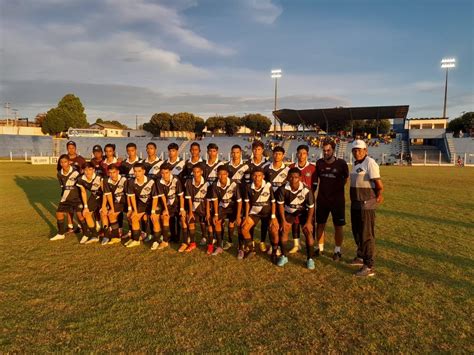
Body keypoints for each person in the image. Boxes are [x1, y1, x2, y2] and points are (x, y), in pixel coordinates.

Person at [349, 139, 384, 277]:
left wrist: (379, 194)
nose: (357, 152)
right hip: (355, 203)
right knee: (357, 232)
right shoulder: (355, 163)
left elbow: (379, 184)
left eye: (359, 150)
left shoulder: (370, 163)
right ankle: (361, 256)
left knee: (366, 234)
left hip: (366, 205)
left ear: (365, 151)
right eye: (354, 150)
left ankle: (369, 266)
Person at [315, 139, 349, 261]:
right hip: (322, 199)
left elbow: (346, 179)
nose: (326, 152)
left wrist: (336, 190)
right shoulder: (319, 163)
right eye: (324, 150)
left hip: (337, 201)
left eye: (328, 150)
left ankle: (337, 251)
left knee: (338, 226)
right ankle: (320, 248)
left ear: (333, 150)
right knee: (320, 225)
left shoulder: (342, 164)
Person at [275, 167, 315, 268]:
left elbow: (311, 207)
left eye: (296, 177)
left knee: (308, 231)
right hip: (289, 212)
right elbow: (280, 205)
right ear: (288, 178)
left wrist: (309, 222)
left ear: (300, 178)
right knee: (284, 230)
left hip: (304, 212)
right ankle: (284, 256)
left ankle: (310, 259)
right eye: (291, 177)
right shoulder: (283, 189)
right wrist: (283, 221)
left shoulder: (307, 190)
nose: (293, 180)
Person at [241, 167, 278, 259]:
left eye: (259, 176)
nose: (257, 177)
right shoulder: (248, 187)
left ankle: (274, 252)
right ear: (252, 176)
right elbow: (247, 203)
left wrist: (273, 217)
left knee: (274, 229)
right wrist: (246, 216)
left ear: (263, 176)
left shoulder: (268, 186)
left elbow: (273, 202)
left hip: (268, 213)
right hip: (254, 213)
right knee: (244, 229)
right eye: (255, 175)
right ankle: (251, 249)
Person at [289, 144, 318, 254]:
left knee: (309, 221)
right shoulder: (291, 167)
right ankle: (296, 244)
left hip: (308, 200)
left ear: (307, 155)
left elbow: (314, 185)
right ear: (296, 154)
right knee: (295, 221)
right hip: (294, 199)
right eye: (300, 153)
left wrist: (307, 196)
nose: (301, 155)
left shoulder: (312, 168)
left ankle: (311, 244)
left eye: (304, 153)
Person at [207, 165, 242, 256]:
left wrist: (238, 216)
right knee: (217, 222)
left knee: (234, 223)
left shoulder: (234, 184)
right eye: (219, 174)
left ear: (227, 174)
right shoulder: (215, 185)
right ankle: (219, 246)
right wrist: (216, 214)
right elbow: (214, 200)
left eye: (224, 174)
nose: (222, 176)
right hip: (222, 207)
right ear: (217, 175)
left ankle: (237, 246)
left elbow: (239, 201)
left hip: (233, 207)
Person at [125, 163, 161, 248]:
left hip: (153, 203)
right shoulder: (131, 182)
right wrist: (135, 210)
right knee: (134, 217)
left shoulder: (151, 181)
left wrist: (152, 212)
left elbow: (155, 197)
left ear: (144, 171)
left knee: (154, 218)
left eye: (139, 171)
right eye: (135, 171)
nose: (137, 173)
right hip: (141, 203)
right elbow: (132, 197)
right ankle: (136, 240)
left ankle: (156, 241)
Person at [50, 154, 85, 241]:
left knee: (80, 215)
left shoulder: (76, 172)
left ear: (69, 162)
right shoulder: (59, 174)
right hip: (65, 198)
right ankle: (61, 233)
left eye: (65, 161)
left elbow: (81, 185)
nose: (63, 164)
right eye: (61, 162)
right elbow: (62, 187)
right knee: (59, 213)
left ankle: (86, 233)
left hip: (77, 198)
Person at [262, 146, 289, 252]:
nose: (277, 156)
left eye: (279, 154)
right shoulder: (266, 168)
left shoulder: (287, 170)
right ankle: (272, 245)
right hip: (269, 201)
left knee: (281, 224)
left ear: (283, 155)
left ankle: (278, 246)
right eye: (275, 153)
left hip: (282, 202)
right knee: (271, 224)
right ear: (273, 154)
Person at [224, 144, 249, 253]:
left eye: (237, 152)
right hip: (229, 198)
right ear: (231, 153)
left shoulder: (246, 167)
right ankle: (229, 241)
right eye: (233, 152)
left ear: (241, 153)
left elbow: (248, 184)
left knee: (240, 222)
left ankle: (240, 245)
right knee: (230, 221)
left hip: (241, 199)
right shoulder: (226, 166)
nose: (235, 154)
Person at [157, 163, 186, 249]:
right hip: (168, 204)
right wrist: (165, 209)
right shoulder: (159, 181)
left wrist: (182, 209)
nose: (164, 175)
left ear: (170, 172)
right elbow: (162, 196)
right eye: (162, 173)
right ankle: (165, 241)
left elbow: (181, 196)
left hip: (177, 204)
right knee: (166, 217)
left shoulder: (176, 180)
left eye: (166, 173)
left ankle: (184, 242)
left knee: (182, 219)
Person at [182, 163, 209, 253]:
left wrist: (208, 211)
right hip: (193, 208)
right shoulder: (189, 182)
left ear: (201, 172)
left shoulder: (206, 183)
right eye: (194, 172)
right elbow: (189, 198)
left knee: (206, 223)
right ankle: (192, 243)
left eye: (198, 172)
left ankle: (207, 240)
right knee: (191, 222)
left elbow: (208, 199)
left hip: (204, 208)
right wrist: (190, 212)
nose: (196, 174)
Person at [76, 162, 103, 244]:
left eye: (90, 169)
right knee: (86, 213)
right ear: (83, 170)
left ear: (94, 170)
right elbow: (83, 193)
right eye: (86, 170)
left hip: (105, 196)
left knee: (105, 213)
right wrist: (85, 206)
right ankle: (95, 235)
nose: (88, 172)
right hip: (94, 196)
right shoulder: (80, 179)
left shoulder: (99, 177)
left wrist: (104, 205)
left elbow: (106, 192)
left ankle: (109, 235)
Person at [101, 163, 127, 245]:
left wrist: (112, 209)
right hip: (114, 202)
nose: (112, 175)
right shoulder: (106, 180)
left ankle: (115, 237)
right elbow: (107, 194)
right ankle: (106, 235)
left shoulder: (124, 180)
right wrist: (104, 206)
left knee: (111, 214)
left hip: (124, 202)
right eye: (110, 173)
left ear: (118, 172)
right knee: (103, 213)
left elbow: (130, 195)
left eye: (114, 172)